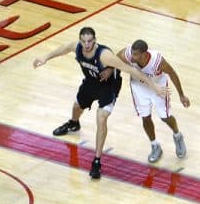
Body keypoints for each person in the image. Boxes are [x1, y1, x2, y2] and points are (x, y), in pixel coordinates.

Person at [34, 27, 166, 179]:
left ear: (95, 41)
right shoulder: (76, 47)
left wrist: (154, 86)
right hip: (91, 82)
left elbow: (130, 69)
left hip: (108, 86)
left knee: (101, 117)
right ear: (80, 41)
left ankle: (96, 161)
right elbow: (63, 49)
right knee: (77, 105)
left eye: (90, 41)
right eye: (84, 41)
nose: (87, 44)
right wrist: (45, 57)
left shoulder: (104, 55)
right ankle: (73, 123)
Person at [117, 40, 190, 163]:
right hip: (139, 87)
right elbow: (114, 60)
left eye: (136, 54)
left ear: (145, 54)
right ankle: (155, 145)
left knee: (165, 117)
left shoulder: (158, 61)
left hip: (158, 87)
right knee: (145, 117)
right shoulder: (128, 54)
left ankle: (177, 136)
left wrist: (181, 95)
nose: (132, 57)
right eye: (132, 53)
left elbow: (172, 73)